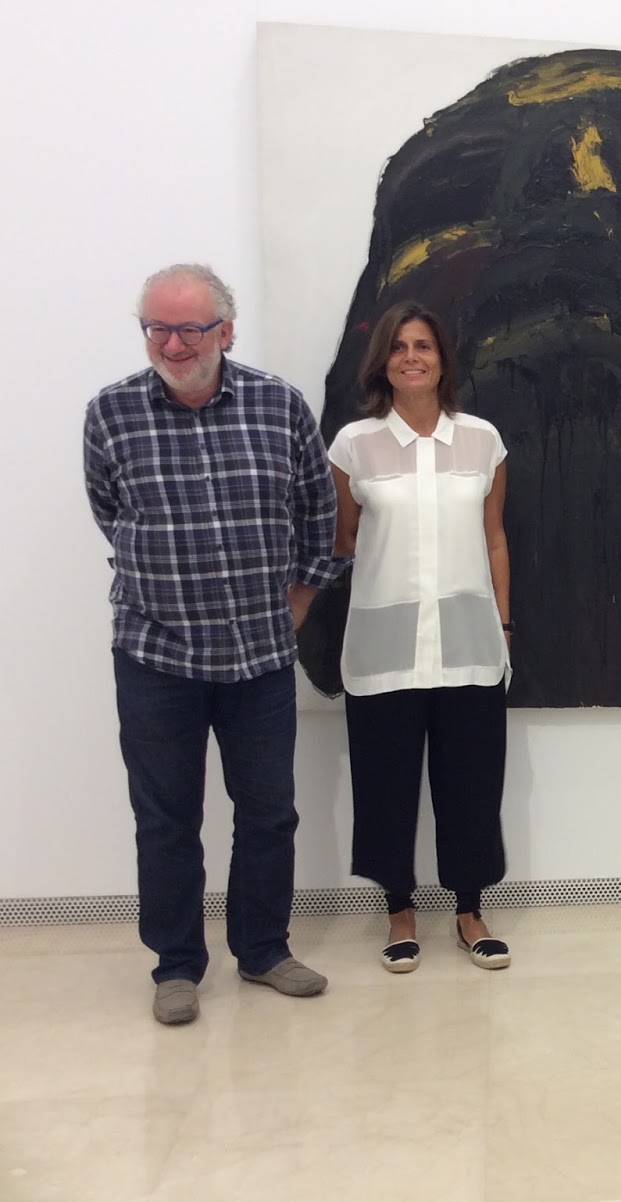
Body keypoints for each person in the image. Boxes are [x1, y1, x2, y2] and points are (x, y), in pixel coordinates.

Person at [83, 263, 343, 1024]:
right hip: (155, 655)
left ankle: (263, 950)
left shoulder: (278, 405)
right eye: (156, 329)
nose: (172, 344)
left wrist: (297, 601)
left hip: (258, 654)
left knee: (268, 813)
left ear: (226, 331)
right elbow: (110, 512)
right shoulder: (110, 413)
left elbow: (318, 513)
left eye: (190, 329)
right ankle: (176, 966)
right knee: (166, 819)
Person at [327, 302, 513, 972]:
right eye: (399, 347)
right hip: (384, 652)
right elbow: (345, 540)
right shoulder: (354, 445)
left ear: (442, 360)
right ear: (383, 362)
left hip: (469, 647)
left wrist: (505, 626)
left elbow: (495, 538)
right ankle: (399, 914)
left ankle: (470, 913)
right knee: (386, 787)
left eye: (424, 346)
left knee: (471, 786)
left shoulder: (483, 440)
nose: (412, 357)